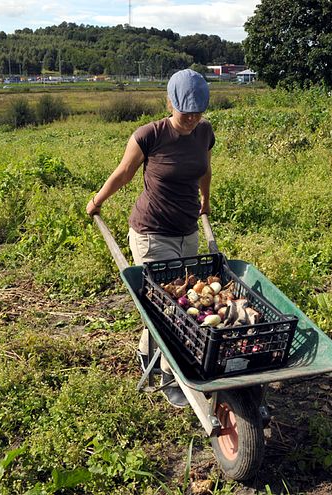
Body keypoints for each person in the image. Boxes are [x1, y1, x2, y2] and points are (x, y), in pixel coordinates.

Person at [86, 69, 214, 407]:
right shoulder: (149, 135)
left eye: (198, 111)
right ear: (169, 101)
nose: (191, 118)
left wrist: (206, 199)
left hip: (187, 232)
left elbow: (205, 167)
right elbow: (124, 173)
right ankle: (171, 376)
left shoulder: (204, 132)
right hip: (151, 233)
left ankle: (150, 353)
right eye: (185, 110)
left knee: (187, 303)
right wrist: (97, 201)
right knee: (167, 308)